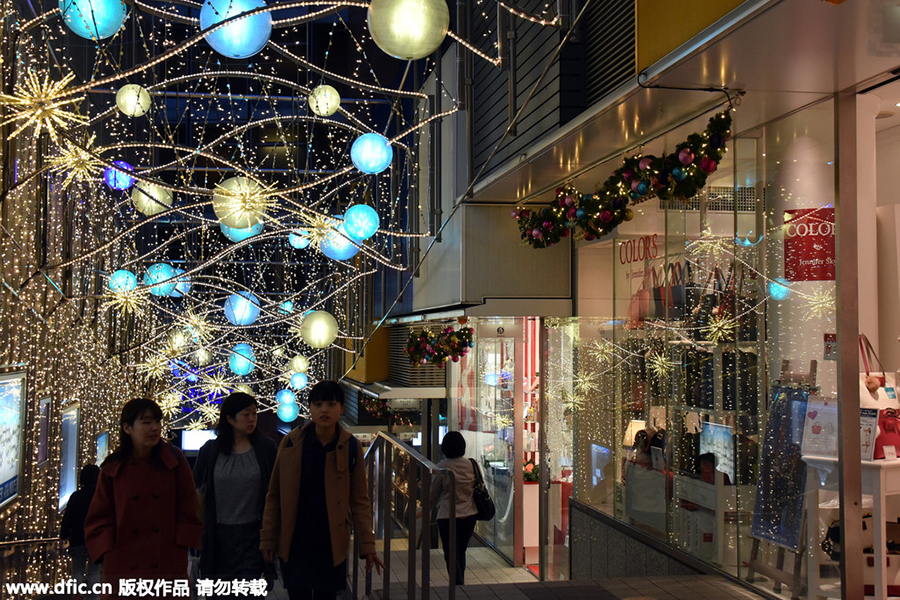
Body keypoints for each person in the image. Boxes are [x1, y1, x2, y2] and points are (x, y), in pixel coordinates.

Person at [260, 380, 384, 600]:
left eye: (331, 404)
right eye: (318, 404)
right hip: (295, 542)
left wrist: (367, 545)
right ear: (310, 408)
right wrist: (269, 538)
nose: (324, 409)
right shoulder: (291, 443)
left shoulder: (351, 446)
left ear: (342, 409)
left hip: (331, 544)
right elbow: (274, 496)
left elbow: (360, 501)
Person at [84, 398, 202, 598]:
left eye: (157, 421)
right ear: (128, 428)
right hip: (123, 565)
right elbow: (100, 516)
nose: (154, 428)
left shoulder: (174, 461)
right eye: (146, 422)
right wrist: (107, 553)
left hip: (166, 563)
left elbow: (189, 508)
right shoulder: (113, 468)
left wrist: (181, 548)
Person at [193, 392, 278, 592]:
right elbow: (195, 490)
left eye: (254, 414)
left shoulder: (266, 448)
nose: (252, 419)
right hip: (218, 537)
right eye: (246, 414)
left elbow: (275, 493)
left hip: (253, 537)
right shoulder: (210, 451)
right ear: (229, 419)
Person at [430, 431, 478, 585]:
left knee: (450, 554)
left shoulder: (441, 468)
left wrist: (426, 509)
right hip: (469, 515)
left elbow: (433, 495)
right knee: (460, 551)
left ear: (445, 448)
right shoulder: (472, 464)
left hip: (447, 517)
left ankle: (457, 585)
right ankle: (460, 583)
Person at [60, 464, 101, 600]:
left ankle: (76, 596)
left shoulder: (76, 496)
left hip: (78, 539)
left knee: (77, 570)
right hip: (97, 541)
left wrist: (64, 534)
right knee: (95, 572)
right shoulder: (102, 497)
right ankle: (92, 598)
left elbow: (68, 518)